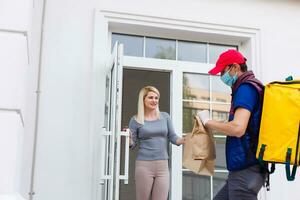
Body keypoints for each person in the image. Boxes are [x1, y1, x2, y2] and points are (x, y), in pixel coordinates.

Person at [198, 49, 266, 200]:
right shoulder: (246, 88)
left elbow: (238, 128)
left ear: (235, 67)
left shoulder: (246, 88)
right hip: (243, 170)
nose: (222, 76)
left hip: (246, 170)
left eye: (223, 72)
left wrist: (209, 122)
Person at [129, 86, 185, 200]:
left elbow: (173, 137)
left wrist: (184, 140)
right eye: (150, 98)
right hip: (144, 166)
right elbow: (132, 144)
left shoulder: (165, 117)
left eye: (156, 98)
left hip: (163, 166)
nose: (154, 100)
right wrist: (128, 139)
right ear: (143, 100)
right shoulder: (135, 120)